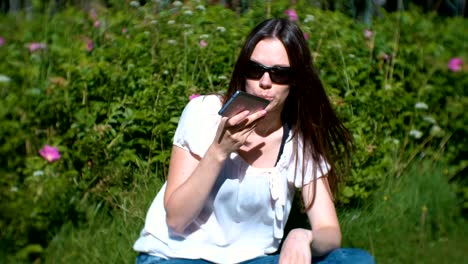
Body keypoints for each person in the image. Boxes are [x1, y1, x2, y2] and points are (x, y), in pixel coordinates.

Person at [133, 18, 375, 264]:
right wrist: (218, 152)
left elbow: (329, 231)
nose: (265, 82)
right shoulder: (203, 113)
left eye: (280, 74)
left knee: (355, 260)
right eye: (255, 69)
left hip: (251, 260)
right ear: (243, 71)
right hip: (177, 256)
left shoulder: (297, 143)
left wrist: (302, 236)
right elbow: (176, 219)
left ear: (295, 81)